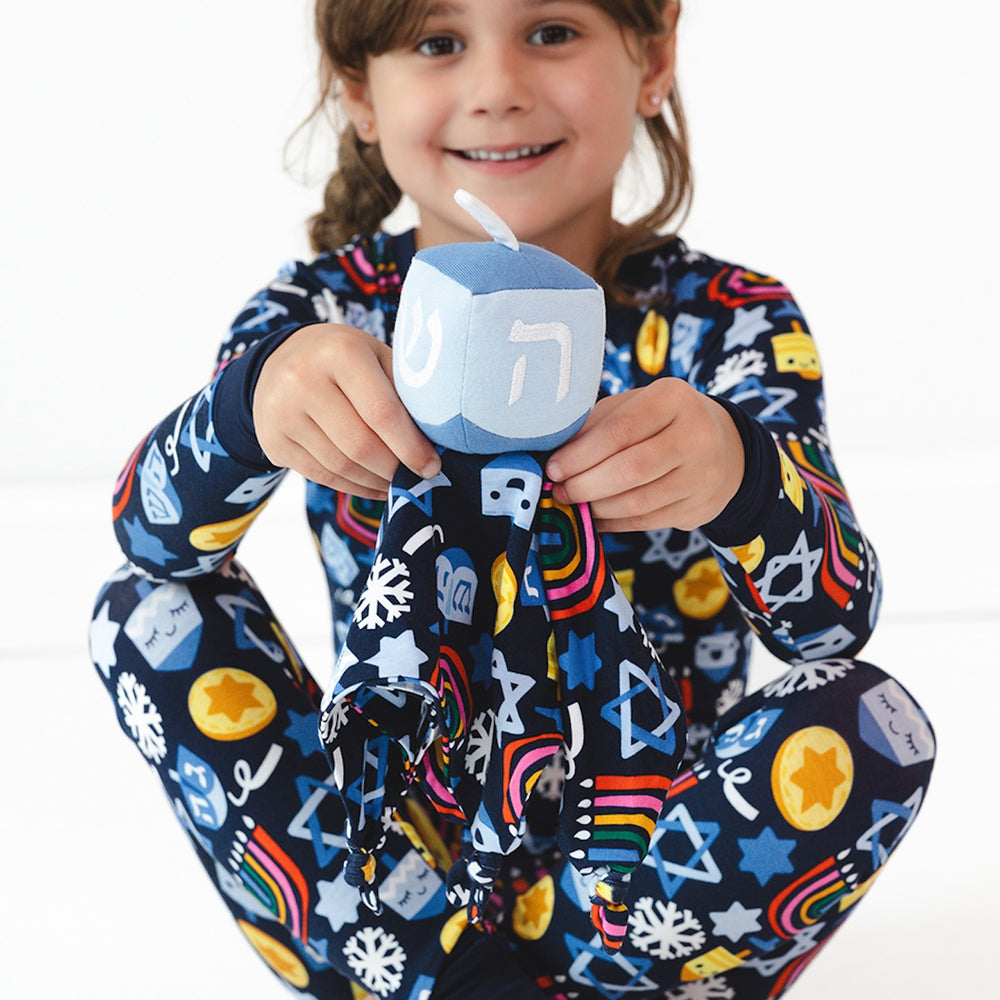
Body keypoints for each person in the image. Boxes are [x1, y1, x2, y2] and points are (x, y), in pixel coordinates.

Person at [89, 2, 935, 998]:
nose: (496, 87)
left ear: (653, 55)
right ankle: (450, 980)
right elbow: (151, 539)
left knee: (875, 717)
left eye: (550, 31)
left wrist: (740, 477)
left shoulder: (729, 322)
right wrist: (248, 409)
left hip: (639, 871)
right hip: (388, 879)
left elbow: (831, 622)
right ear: (361, 91)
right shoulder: (321, 315)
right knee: (143, 610)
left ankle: (595, 980)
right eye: (438, 43)